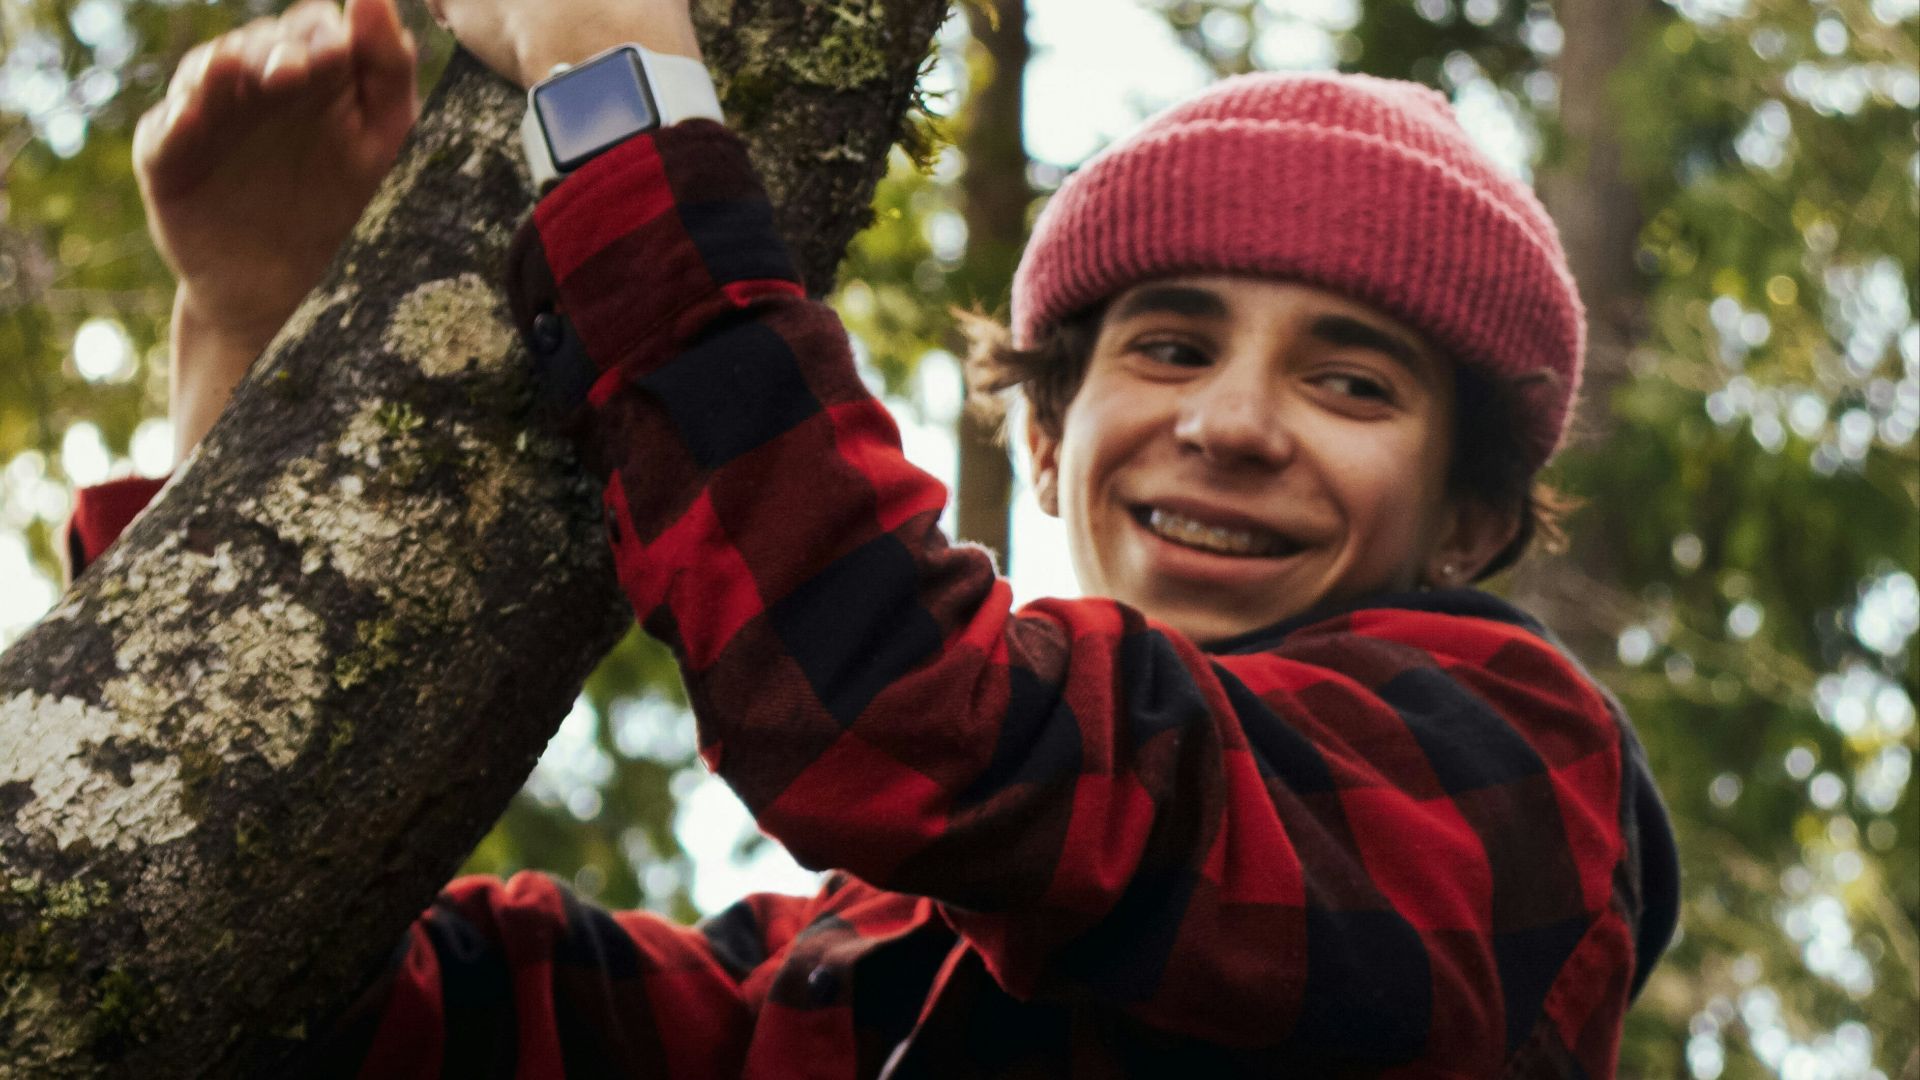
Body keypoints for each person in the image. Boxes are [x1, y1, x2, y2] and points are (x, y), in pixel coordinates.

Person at [63, 0, 1680, 1073]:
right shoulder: (861, 966)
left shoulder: (1515, 778)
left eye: (1349, 381)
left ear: (1468, 516)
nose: (1237, 422)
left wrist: (616, 98)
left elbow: (914, 716)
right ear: (1045, 440)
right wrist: (255, 349)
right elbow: (324, 1006)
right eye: (1171, 348)